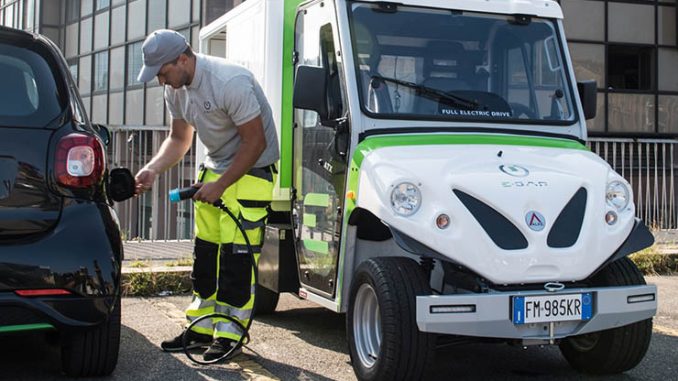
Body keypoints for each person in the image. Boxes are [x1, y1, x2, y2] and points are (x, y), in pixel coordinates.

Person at [134, 29, 279, 361]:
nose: (161, 81)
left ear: (183, 58)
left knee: (236, 260)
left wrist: (222, 184)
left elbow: (254, 143)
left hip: (252, 170)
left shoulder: (230, 81)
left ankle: (230, 334)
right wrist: (153, 169)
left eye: (163, 72)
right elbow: (178, 139)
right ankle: (200, 329)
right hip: (215, 168)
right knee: (206, 256)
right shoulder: (177, 88)